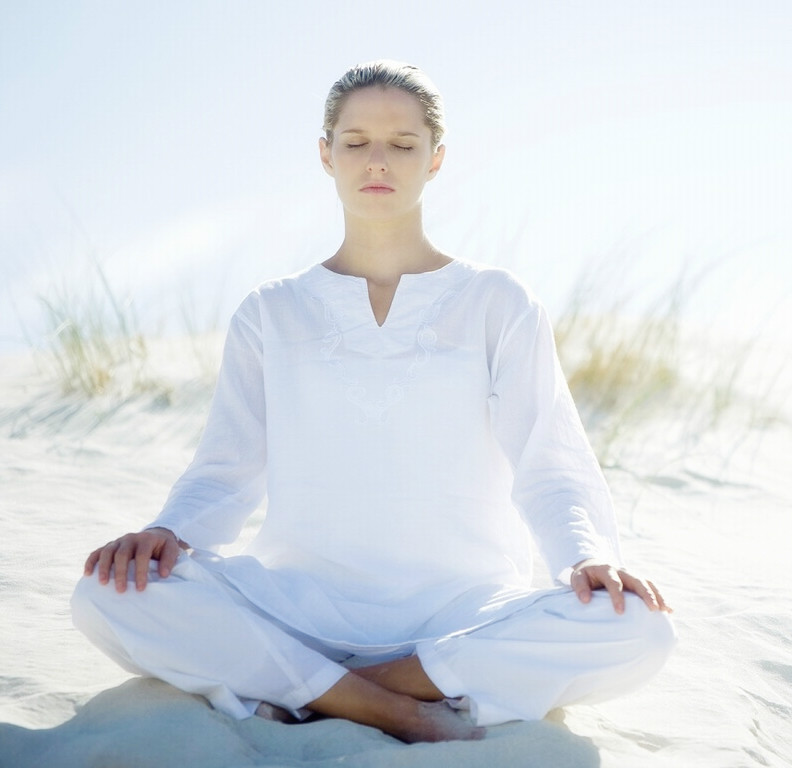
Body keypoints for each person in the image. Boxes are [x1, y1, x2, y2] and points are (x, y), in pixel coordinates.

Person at [72, 60, 675, 744]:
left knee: (639, 628)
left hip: (461, 616)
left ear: (436, 159)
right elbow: (227, 467)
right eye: (356, 142)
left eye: (402, 143)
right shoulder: (271, 312)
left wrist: (585, 555)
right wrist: (171, 533)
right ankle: (387, 707)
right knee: (103, 596)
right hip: (297, 608)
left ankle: (333, 688)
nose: (377, 160)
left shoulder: (496, 303)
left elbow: (550, 458)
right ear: (325, 155)